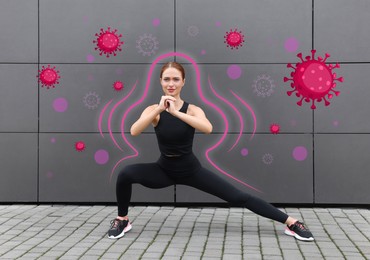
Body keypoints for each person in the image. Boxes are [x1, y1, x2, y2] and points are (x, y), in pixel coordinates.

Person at [108, 62, 314, 241]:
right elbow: (134, 131)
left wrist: (175, 112)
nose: (171, 84)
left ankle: (292, 222)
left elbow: (207, 128)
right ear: (160, 81)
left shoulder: (192, 110)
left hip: (190, 170)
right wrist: (160, 110)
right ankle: (122, 220)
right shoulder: (154, 110)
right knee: (126, 174)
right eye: (167, 79)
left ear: (183, 82)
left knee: (239, 197)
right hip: (164, 170)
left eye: (176, 79)